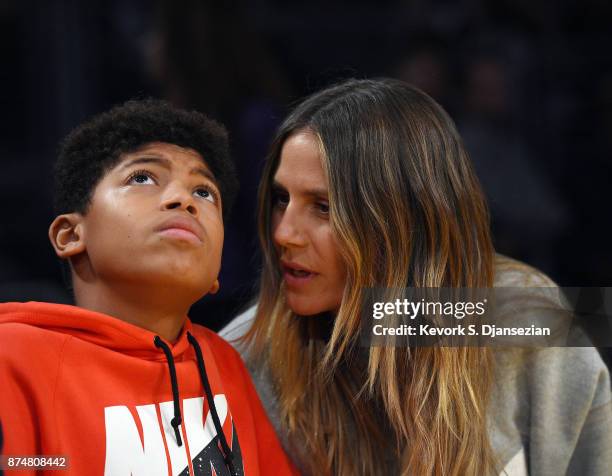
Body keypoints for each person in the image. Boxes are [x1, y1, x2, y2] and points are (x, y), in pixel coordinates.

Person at [221, 78, 612, 475]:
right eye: (281, 199)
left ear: (403, 221)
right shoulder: (243, 354)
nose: (283, 233)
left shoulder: (527, 319)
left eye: (323, 207)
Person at [0, 99, 296, 476]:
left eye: (205, 193)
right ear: (71, 234)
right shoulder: (13, 358)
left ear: (217, 270)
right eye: (141, 178)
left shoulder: (224, 362)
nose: (183, 200)